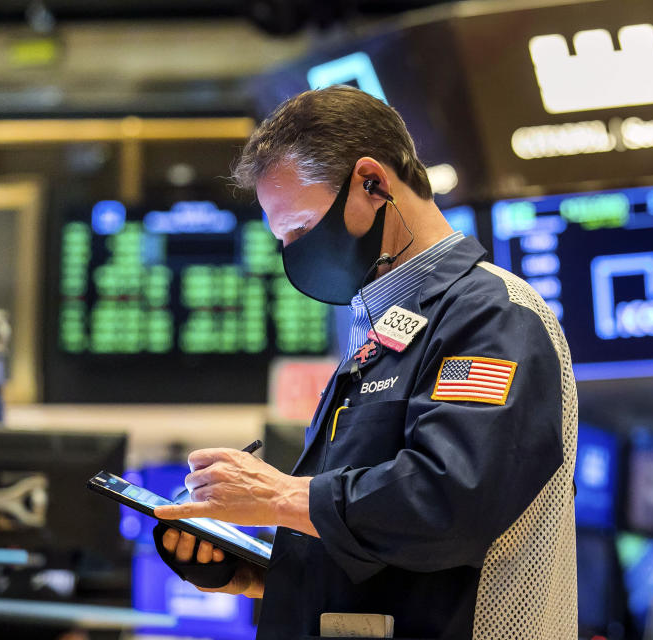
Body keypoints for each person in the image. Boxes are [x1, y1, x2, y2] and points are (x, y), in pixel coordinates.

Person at [152, 84, 578, 640]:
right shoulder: (382, 332)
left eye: (301, 229)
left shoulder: (492, 315)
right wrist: (260, 571)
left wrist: (277, 496)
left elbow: (446, 505)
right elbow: (381, 545)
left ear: (371, 183)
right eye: (284, 239)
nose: (294, 254)